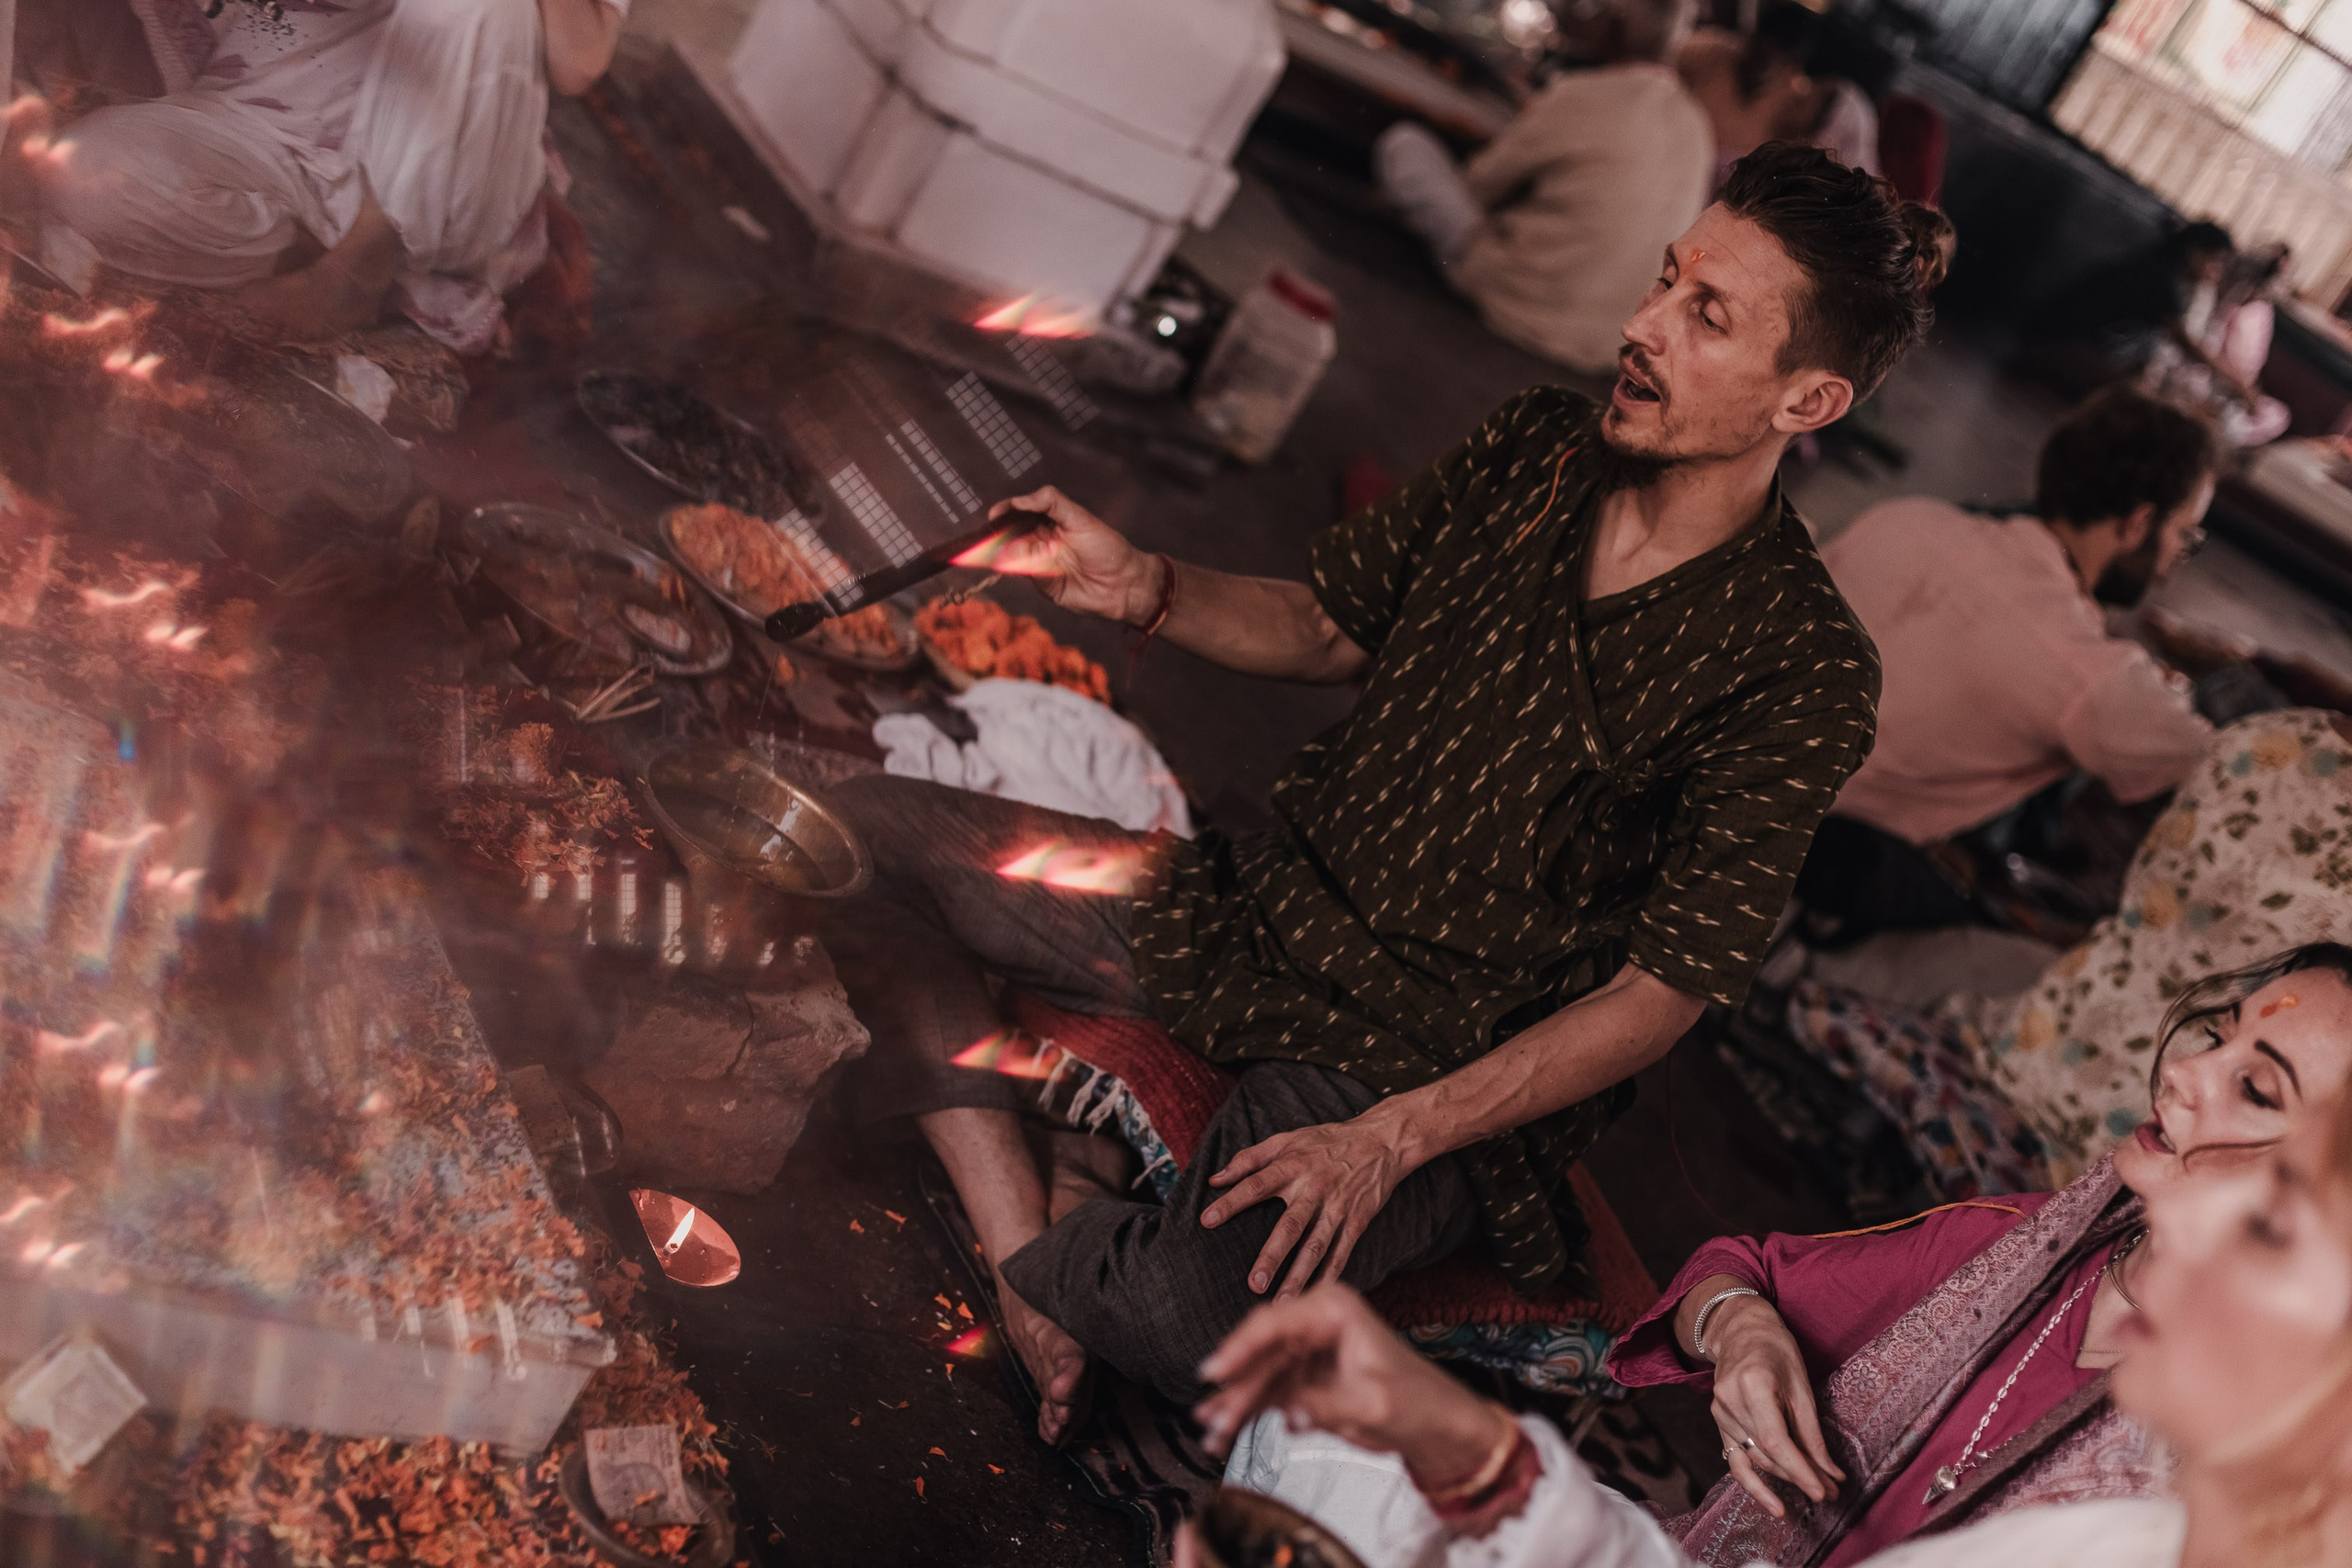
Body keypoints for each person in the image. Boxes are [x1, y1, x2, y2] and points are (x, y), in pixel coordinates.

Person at [822, 143, 1951, 1444]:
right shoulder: (1538, 447)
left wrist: (1392, 1139)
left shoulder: (1799, 666)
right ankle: (1031, 1221)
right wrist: (1146, 583)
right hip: (1254, 906)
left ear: (1807, 399)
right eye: (1664, 279)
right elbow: (1329, 622)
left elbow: (1661, 992)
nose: (1640, 328)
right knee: (854, 834)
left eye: (1707, 316)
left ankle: (1090, 1208)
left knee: (1203, 1319)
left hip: (1412, 1062)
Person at [1215, 945, 2352, 1567]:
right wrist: (1745, 1331)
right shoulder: (2027, 1252)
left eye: (2256, 1089)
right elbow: (1734, 1273)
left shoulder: (2220, 1514)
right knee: (1313, 1430)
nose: (2184, 1076)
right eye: (2219, 1030)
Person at [1792, 386, 2221, 944]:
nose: (2170, 567)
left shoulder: (1908, 518)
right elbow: (2216, 767)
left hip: (1708, 762)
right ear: (2138, 523)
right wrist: (2171, 690)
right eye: (2183, 536)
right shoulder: (2090, 674)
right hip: (1812, 848)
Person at [15, 0, 626, 349]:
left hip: (445, 164)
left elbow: (580, 60)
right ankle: (296, 248)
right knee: (83, 175)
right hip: (275, 115)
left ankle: (359, 266)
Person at [1372, 0, 1713, 374]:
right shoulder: (1697, 123)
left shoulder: (1585, 93)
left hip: (1517, 302)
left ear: (1614, 23)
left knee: (1404, 144)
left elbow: (1478, 186)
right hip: (1609, 340)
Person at [2025, 221, 2236, 400]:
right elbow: (2185, 343)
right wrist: (2240, 386)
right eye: (2216, 261)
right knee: (2137, 400)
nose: (2217, 272)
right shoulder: (2159, 277)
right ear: (2194, 253)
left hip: (2067, 347)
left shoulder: (2166, 274)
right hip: (2055, 347)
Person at [2149, 243, 2293, 450]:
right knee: (2225, 422)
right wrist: (2238, 385)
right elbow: (2190, 345)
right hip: (2187, 374)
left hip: (2217, 385)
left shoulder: (2257, 311)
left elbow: (2248, 364)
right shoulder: (2205, 293)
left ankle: (2210, 428)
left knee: (2276, 415)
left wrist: (2244, 390)